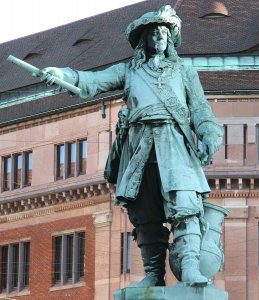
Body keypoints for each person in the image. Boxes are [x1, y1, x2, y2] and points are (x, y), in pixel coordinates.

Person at [42, 5, 223, 287]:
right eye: (154, 32)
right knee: (145, 213)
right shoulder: (129, 71)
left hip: (173, 142)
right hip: (139, 146)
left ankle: (189, 267)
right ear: (145, 40)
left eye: (164, 32)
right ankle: (153, 274)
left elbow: (200, 109)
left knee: (185, 206)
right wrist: (63, 75)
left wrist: (210, 134)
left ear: (170, 38)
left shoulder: (184, 72)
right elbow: (92, 81)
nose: (160, 36)